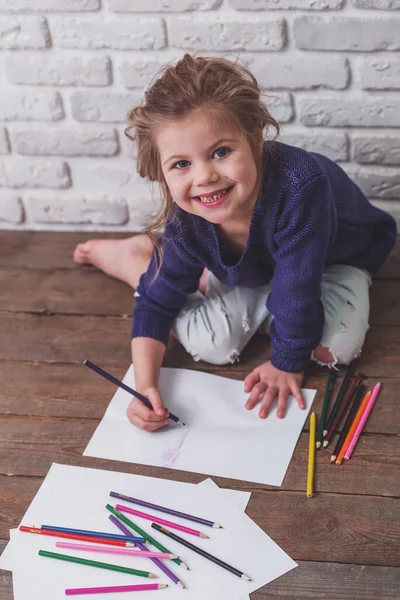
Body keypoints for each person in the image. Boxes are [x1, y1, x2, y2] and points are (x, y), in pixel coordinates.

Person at [74, 54, 397, 432]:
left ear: (255, 138)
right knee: (209, 345)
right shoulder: (188, 219)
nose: (206, 176)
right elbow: (155, 304)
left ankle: (224, 293)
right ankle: (137, 262)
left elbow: (296, 294)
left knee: (336, 348)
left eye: (221, 152)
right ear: (160, 172)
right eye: (181, 164)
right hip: (256, 270)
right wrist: (143, 387)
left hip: (329, 262)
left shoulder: (301, 185)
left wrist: (286, 362)